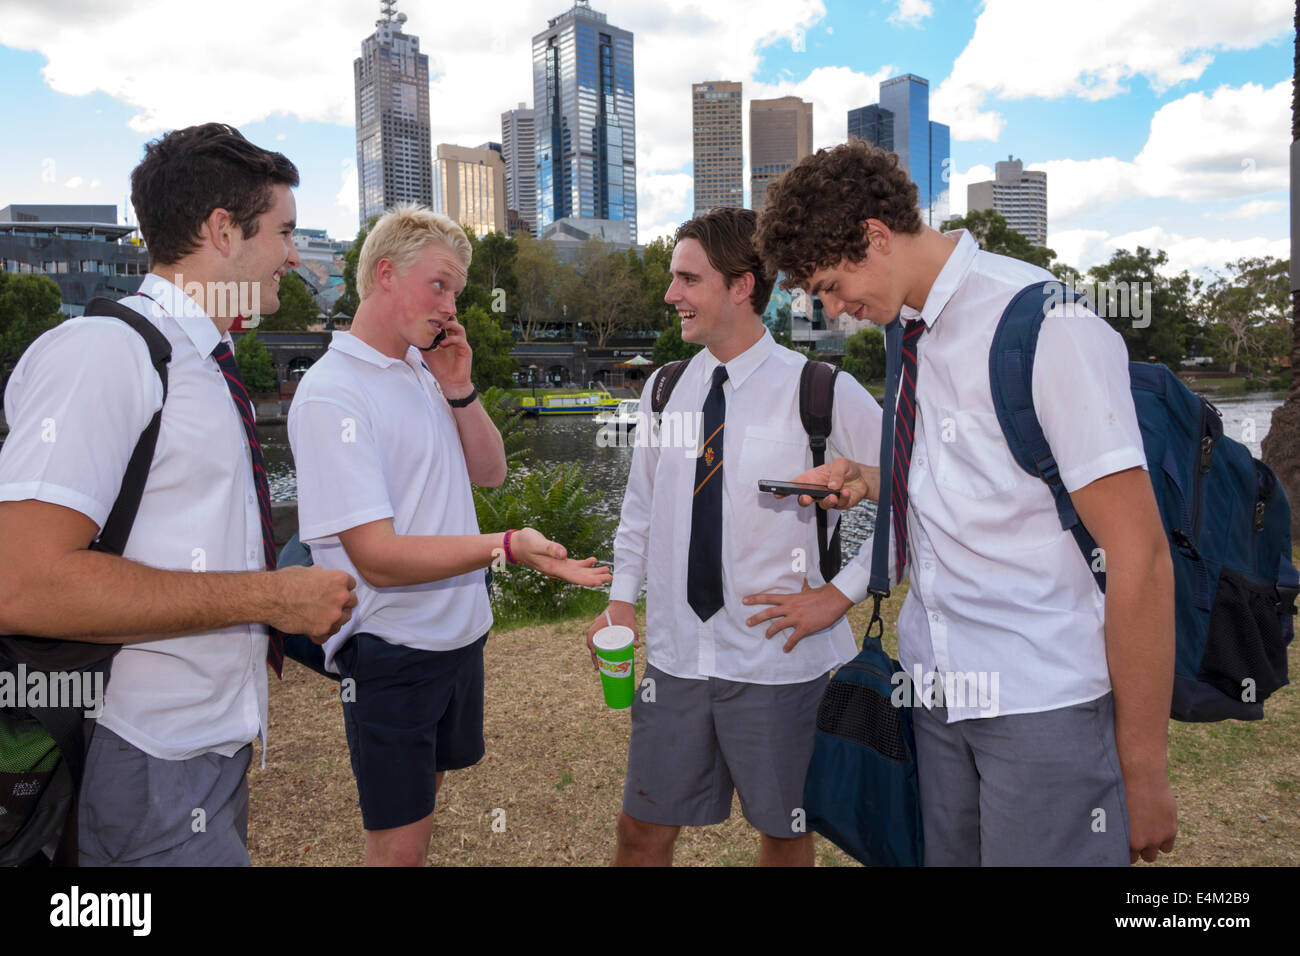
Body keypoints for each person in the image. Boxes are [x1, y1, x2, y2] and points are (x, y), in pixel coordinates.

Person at [752, 139, 1178, 866]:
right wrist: (871, 473)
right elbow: (981, 476)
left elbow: (1140, 554)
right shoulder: (906, 331)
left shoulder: (1045, 324)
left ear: (875, 238)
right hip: (934, 691)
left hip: (1042, 699)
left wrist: (1143, 768)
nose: (830, 308)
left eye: (827, 284)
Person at [0, 122, 358, 866]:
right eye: (285, 232)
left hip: (207, 744)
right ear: (222, 230)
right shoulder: (107, 353)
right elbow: (23, 584)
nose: (295, 256)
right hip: (137, 750)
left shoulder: (205, 364)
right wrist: (268, 598)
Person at [288, 205, 611, 867]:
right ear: (385, 275)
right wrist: (507, 545)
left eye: (457, 292)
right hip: (392, 650)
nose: (450, 306)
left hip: (457, 636)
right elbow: (376, 558)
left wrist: (459, 387)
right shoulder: (332, 394)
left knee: (423, 821)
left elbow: (489, 473)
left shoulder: (421, 372)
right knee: (398, 848)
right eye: (439, 285)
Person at [586, 207, 883, 867]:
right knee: (640, 831)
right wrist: (618, 601)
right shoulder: (663, 390)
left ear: (742, 285)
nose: (671, 295)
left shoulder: (820, 390)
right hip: (675, 659)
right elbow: (639, 509)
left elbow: (918, 493)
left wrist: (839, 595)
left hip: (778, 663)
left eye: (688, 279)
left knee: (784, 834)